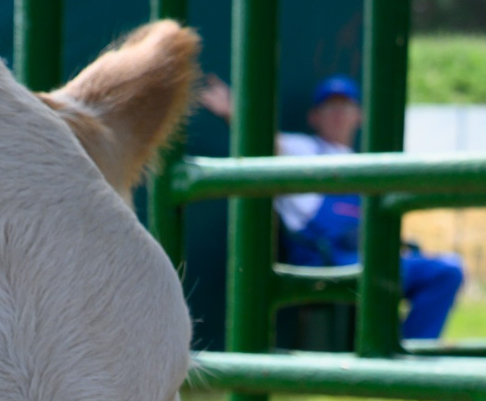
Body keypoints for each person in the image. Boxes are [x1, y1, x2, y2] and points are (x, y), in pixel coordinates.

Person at [195, 73, 466, 341]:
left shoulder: (366, 162)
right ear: (315, 117)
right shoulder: (303, 149)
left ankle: (407, 359)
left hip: (365, 257)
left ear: (359, 115)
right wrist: (233, 113)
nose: (338, 114)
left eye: (345, 107)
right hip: (324, 262)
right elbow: (266, 141)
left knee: (447, 271)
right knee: (385, 273)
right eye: (330, 107)